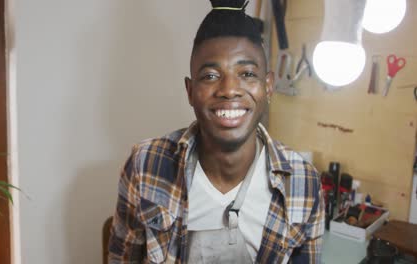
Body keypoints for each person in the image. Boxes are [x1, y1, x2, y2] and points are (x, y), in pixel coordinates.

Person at [108, 0, 324, 263]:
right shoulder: (145, 165)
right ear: (190, 91)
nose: (229, 89)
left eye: (246, 73)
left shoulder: (304, 183)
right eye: (211, 76)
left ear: (268, 86)